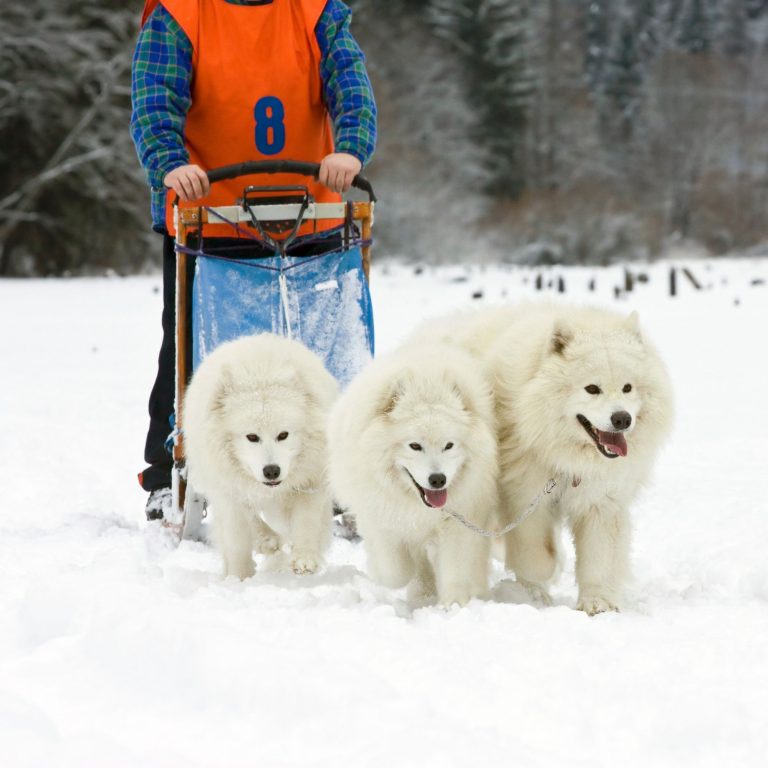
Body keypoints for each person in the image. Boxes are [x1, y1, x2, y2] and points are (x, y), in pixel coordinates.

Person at [130, 0, 377, 520]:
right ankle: (168, 469)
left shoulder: (316, 10)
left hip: (311, 205)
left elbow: (350, 85)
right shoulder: (181, 12)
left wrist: (351, 149)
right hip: (208, 213)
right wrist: (170, 164)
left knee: (319, 349)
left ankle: (337, 470)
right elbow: (155, 102)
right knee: (189, 350)